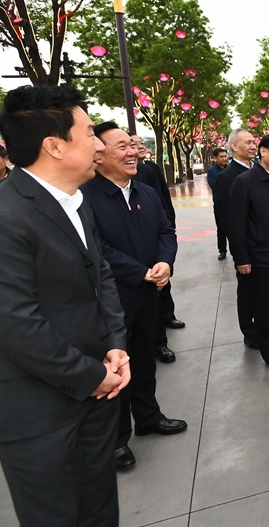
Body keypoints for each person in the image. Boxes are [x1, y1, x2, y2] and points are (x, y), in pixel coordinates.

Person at [0, 85, 129, 526]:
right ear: (53, 145)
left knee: (99, 512)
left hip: (97, 393)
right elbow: (16, 325)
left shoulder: (76, 201)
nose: (99, 144)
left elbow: (102, 276)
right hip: (38, 414)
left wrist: (115, 345)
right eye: (90, 133)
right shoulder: (7, 214)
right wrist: (91, 375)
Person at [81, 122, 186, 471]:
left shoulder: (145, 191)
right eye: (121, 146)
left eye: (133, 145)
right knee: (116, 372)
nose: (132, 152)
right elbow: (97, 248)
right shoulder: (86, 197)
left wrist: (163, 262)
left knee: (144, 362)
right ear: (99, 155)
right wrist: (140, 272)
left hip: (148, 294)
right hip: (113, 302)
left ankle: (149, 417)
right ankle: (116, 441)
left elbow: (165, 231)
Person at [229, 133, 269, 371]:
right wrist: (242, 257)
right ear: (263, 151)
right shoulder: (245, 182)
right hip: (260, 257)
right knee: (264, 308)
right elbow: (236, 224)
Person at [131, 134, 182, 364]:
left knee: (162, 288)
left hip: (154, 250)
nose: (134, 150)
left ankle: (162, 338)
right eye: (130, 145)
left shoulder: (149, 172)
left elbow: (162, 196)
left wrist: (169, 225)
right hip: (130, 270)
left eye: (138, 145)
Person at [215, 129, 259, 348]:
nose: (253, 146)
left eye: (254, 142)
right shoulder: (226, 177)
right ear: (234, 146)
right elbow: (226, 219)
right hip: (246, 246)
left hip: (265, 244)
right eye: (248, 142)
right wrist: (240, 254)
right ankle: (249, 331)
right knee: (248, 290)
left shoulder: (259, 170)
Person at [207, 148, 229, 259]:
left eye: (225, 156)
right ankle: (222, 250)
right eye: (221, 157)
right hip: (219, 204)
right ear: (215, 158)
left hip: (232, 203)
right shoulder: (211, 171)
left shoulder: (230, 169)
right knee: (221, 228)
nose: (224, 158)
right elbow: (214, 186)